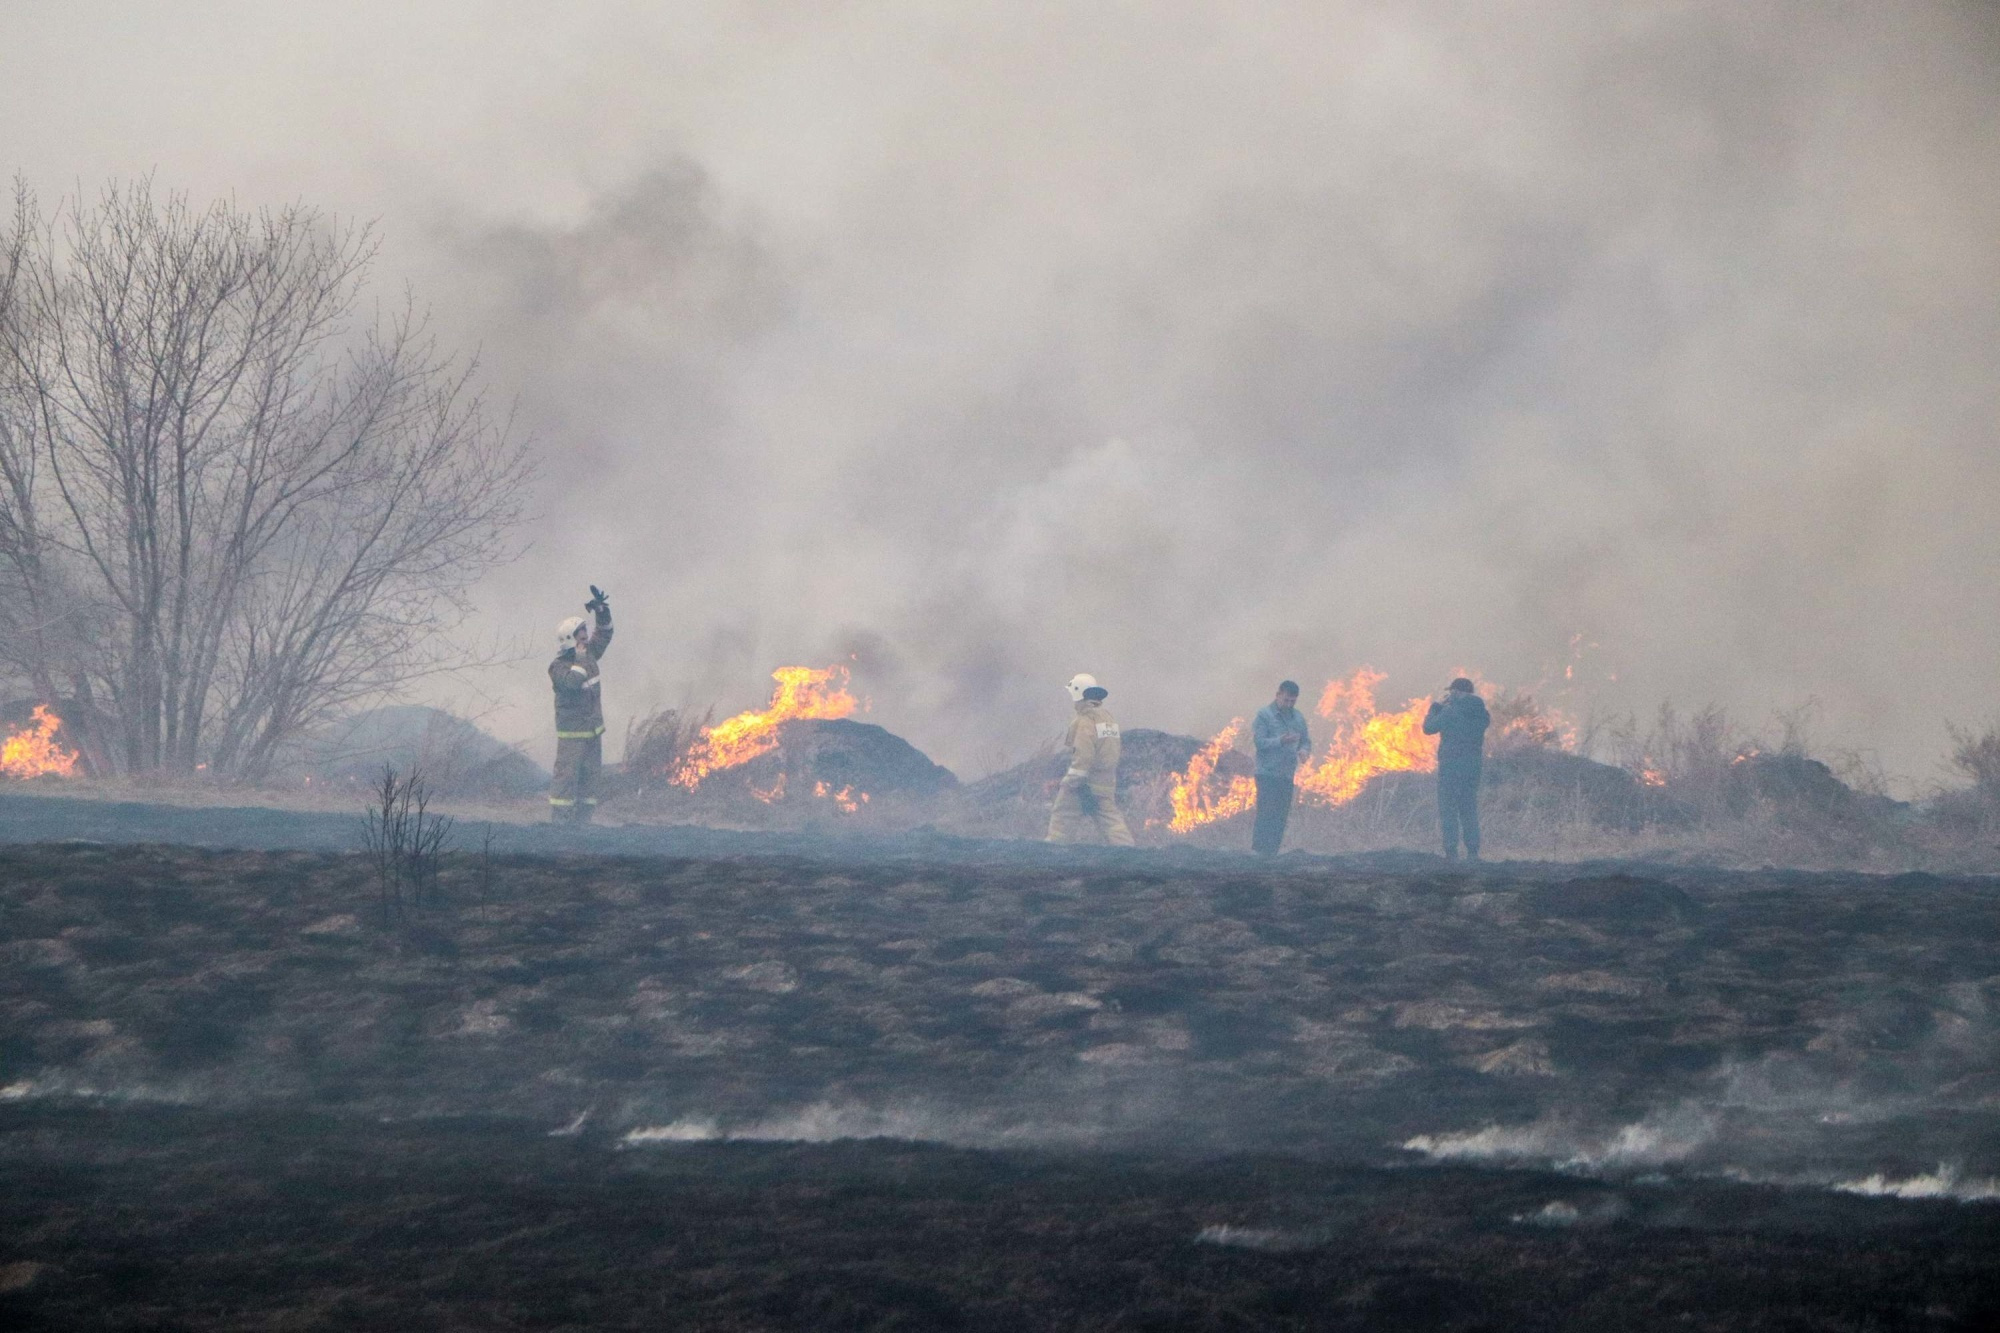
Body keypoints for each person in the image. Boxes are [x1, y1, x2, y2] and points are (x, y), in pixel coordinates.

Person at [548, 585, 613, 823]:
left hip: (592, 732)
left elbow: (604, 635)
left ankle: (583, 822)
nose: (585, 637)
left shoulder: (588, 654)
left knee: (590, 778)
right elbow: (572, 683)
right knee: (566, 778)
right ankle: (560, 822)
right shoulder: (558, 667)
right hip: (572, 734)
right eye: (581, 635)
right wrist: (581, 657)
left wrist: (602, 612)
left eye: (585, 632)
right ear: (569, 640)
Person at [1046, 673, 1135, 846]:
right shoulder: (1108, 718)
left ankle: (1052, 853)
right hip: (1106, 783)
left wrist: (1070, 782)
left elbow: (1083, 756)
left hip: (1084, 783)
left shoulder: (1085, 721)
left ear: (1078, 694)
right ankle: (1127, 851)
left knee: (1062, 816)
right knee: (1111, 822)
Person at [1422, 676, 1490, 860]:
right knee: (1468, 809)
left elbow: (1428, 728)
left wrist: (1434, 710)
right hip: (1472, 768)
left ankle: (1451, 852)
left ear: (1459, 693)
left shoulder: (1450, 712)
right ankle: (1473, 853)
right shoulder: (1482, 714)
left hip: (1450, 767)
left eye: (1452, 691)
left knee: (1448, 809)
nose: (1450, 695)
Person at [1251, 680, 1311, 855]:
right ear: (1278, 695)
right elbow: (1259, 742)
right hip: (1267, 773)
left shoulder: (1298, 718)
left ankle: (1272, 853)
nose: (1289, 704)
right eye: (1286, 700)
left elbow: (1305, 740)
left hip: (1286, 774)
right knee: (1266, 814)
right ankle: (1258, 852)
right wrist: (1280, 741)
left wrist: (1304, 751)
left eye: (1292, 701)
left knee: (1281, 816)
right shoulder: (1264, 715)